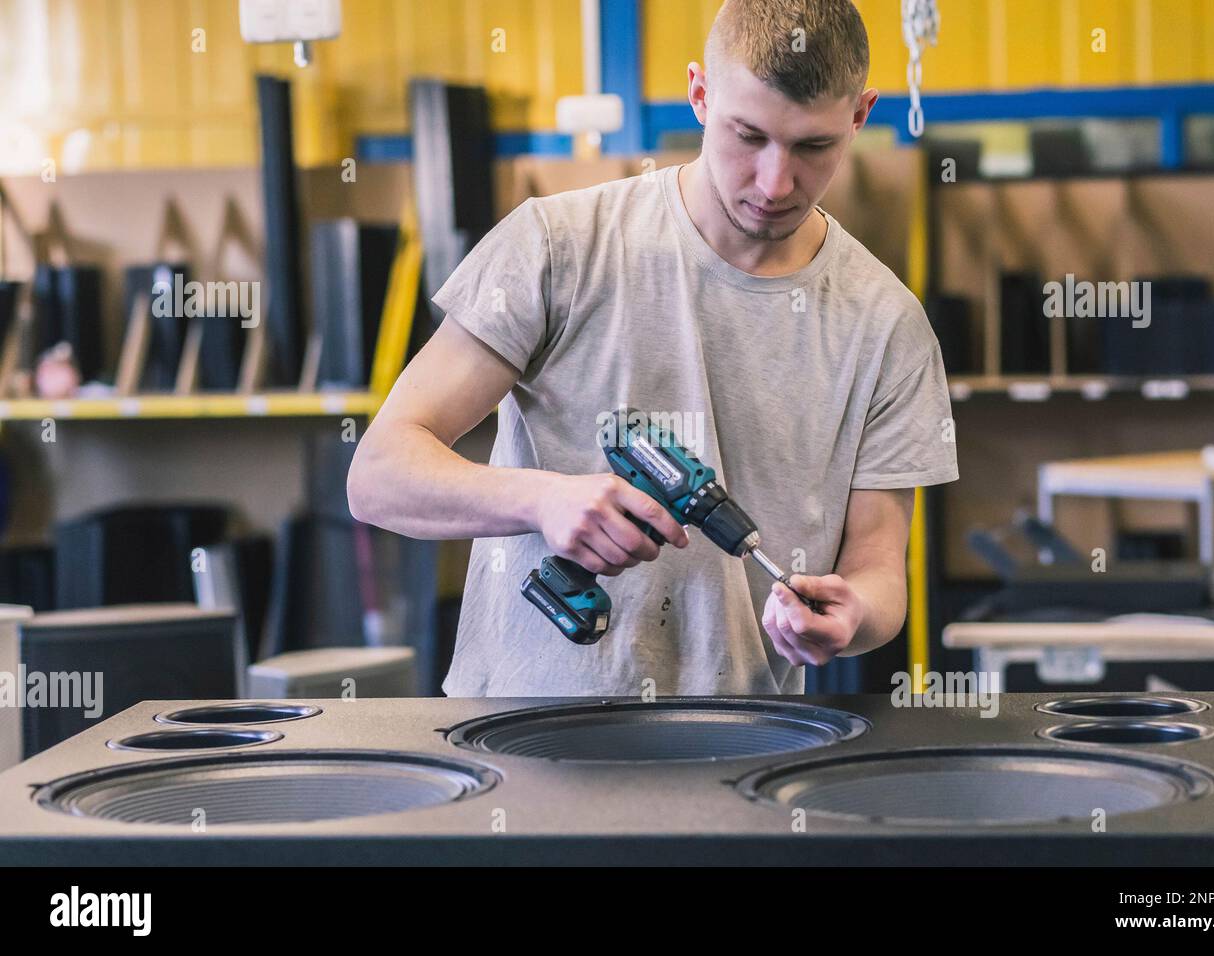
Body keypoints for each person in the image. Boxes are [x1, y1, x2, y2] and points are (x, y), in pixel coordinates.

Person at [347, 0, 959, 696]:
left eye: (812, 147)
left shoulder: (885, 324)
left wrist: (855, 616)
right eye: (747, 135)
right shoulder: (558, 247)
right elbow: (378, 474)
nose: (774, 182)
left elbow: (878, 570)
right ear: (699, 93)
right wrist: (541, 501)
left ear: (859, 114)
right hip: (521, 746)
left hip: (745, 753)